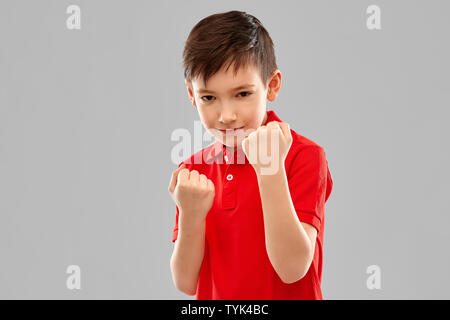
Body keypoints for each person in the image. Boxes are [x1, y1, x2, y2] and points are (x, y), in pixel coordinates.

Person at [168, 10, 333, 300]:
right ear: (192, 95)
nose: (227, 115)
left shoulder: (304, 156)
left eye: (242, 94)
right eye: (209, 97)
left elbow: (292, 267)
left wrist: (270, 170)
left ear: (272, 85)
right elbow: (185, 282)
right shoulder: (192, 169)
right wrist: (192, 215)